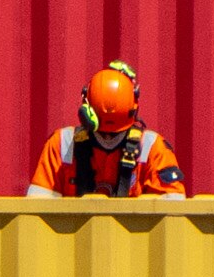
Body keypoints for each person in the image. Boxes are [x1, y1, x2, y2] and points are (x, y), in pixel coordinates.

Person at [27, 61, 188, 197]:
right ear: (134, 106)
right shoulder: (155, 148)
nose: (108, 138)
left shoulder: (60, 143)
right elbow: (172, 216)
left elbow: (37, 210)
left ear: (86, 105)